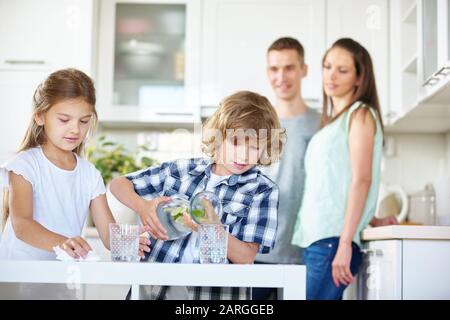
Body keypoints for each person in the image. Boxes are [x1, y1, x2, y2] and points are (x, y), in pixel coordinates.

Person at [110, 90, 286, 300]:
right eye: (236, 143)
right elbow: (118, 184)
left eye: (254, 147)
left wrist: (212, 226)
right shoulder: (182, 171)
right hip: (153, 291)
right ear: (218, 137)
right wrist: (143, 207)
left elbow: (246, 256)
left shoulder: (262, 190)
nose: (243, 155)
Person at [0, 69, 150, 297]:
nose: (75, 129)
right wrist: (64, 242)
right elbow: (22, 225)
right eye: (64, 119)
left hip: (64, 279)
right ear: (40, 116)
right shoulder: (25, 165)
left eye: (84, 121)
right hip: (20, 278)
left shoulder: (89, 174)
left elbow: (109, 236)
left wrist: (127, 240)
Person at [291, 38, 390, 300]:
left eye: (342, 70)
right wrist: (371, 218)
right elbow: (335, 183)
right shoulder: (333, 122)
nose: (331, 75)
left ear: (359, 78)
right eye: (327, 66)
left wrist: (345, 242)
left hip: (333, 242)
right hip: (317, 239)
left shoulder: (360, 115)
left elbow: (362, 179)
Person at [252, 37, 321, 300]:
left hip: (303, 254)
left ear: (304, 70)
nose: (281, 76)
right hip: (255, 252)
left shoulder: (322, 124)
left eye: (289, 68)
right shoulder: (256, 122)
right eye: (274, 69)